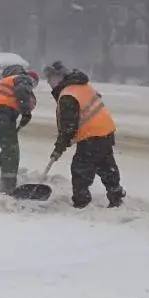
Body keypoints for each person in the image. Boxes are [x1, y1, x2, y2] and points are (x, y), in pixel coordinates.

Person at [44, 61, 125, 209]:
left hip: (91, 136)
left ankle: (81, 202)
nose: (49, 82)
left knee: (80, 170)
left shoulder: (68, 94)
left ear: (59, 77)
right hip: (106, 131)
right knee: (106, 165)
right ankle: (116, 195)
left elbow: (68, 127)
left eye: (50, 78)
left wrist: (59, 147)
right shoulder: (82, 86)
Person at [0, 64, 38, 194]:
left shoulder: (2, 82)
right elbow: (22, 91)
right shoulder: (22, 78)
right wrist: (26, 112)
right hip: (1, 113)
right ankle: (8, 187)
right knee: (11, 149)